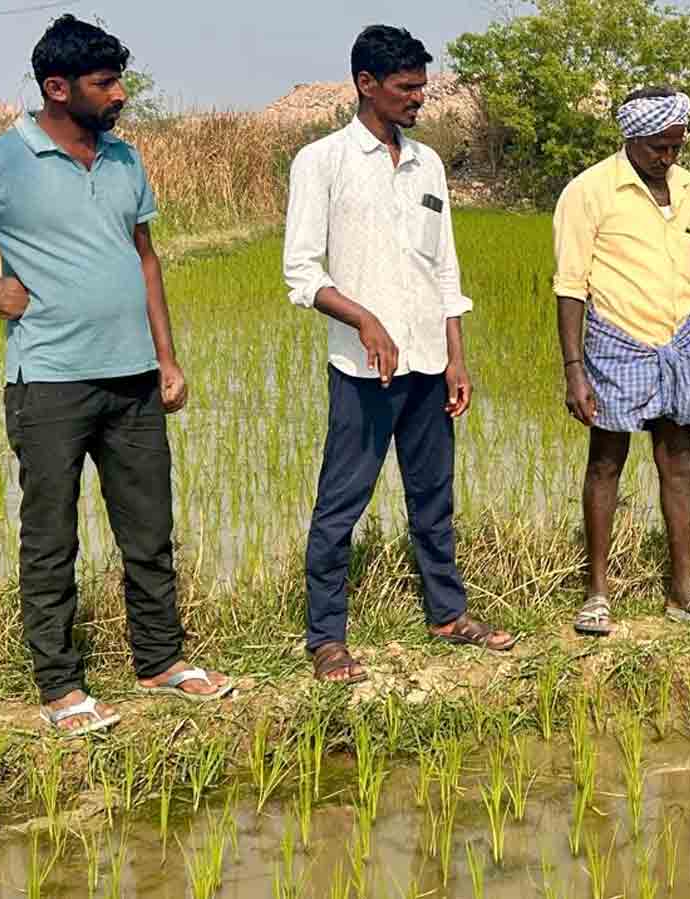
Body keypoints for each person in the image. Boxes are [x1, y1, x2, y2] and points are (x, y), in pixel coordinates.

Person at [0, 15, 231, 734]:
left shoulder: (125, 160)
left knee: (149, 529)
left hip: (134, 378)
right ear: (57, 87)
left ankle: (161, 660)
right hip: (49, 380)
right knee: (51, 537)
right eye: (106, 83)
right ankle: (60, 688)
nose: (122, 94)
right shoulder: (3, 160)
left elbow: (146, 258)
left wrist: (167, 357)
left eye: (120, 79)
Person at [283, 25, 516, 684]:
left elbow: (444, 269)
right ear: (365, 84)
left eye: (423, 85)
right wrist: (363, 319)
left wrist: (456, 357)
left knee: (433, 496)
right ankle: (326, 637)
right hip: (363, 369)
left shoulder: (428, 164)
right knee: (340, 504)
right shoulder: (321, 161)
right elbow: (301, 273)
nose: (420, 98)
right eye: (407, 86)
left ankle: (447, 613)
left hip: (427, 361)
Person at [552, 86, 690, 638]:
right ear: (631, 138)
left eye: (676, 146)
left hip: (680, 338)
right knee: (606, 461)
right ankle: (597, 593)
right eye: (659, 146)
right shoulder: (589, 192)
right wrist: (574, 368)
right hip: (616, 340)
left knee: (678, 461)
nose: (669, 157)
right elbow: (569, 285)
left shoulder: (688, 189)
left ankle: (683, 591)